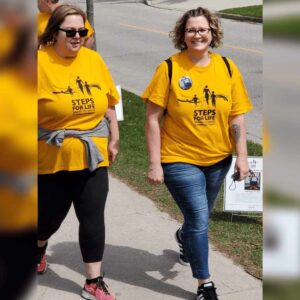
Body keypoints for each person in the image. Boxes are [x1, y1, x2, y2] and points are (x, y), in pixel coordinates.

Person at [142, 7, 252, 300]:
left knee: (195, 221)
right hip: (179, 158)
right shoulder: (169, 68)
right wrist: (155, 163)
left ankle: (183, 236)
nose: (198, 34)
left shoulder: (227, 67)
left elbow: (237, 116)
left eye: (203, 29)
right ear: (182, 35)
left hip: (218, 160)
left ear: (213, 32)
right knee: (201, 219)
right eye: (191, 30)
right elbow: (153, 118)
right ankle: (205, 283)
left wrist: (241, 156)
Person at [37, 5, 119, 300]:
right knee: (47, 220)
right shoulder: (37, 62)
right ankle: (39, 246)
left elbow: (109, 104)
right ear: (54, 32)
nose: (77, 37)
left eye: (82, 32)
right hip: (50, 157)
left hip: (92, 154)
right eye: (70, 31)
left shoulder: (93, 60)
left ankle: (93, 282)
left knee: (93, 216)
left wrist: (114, 139)